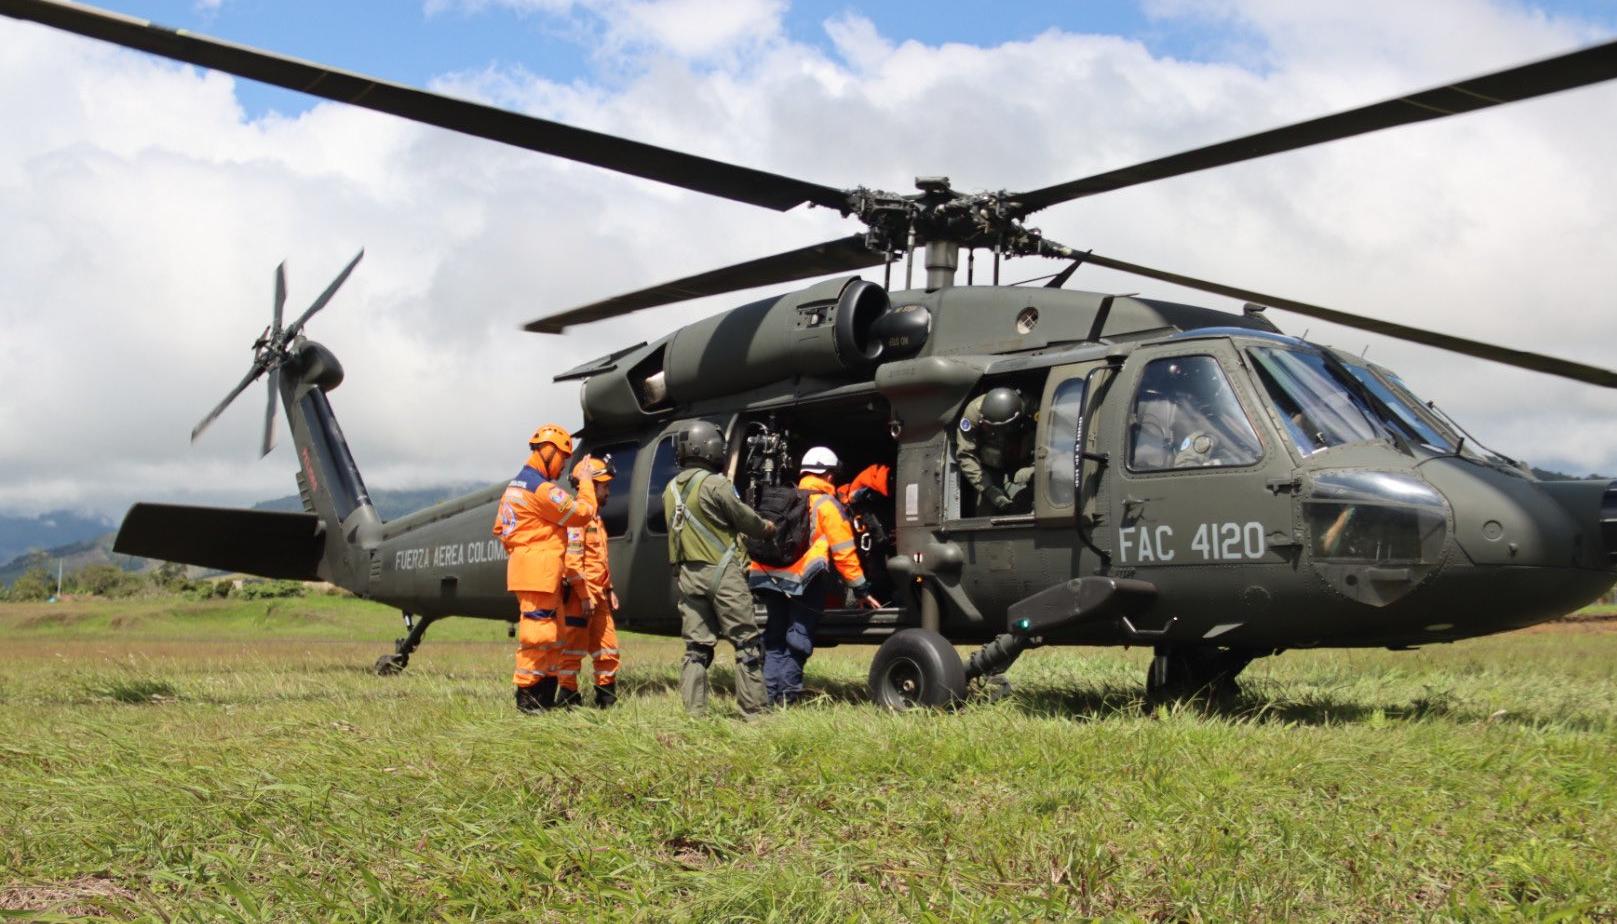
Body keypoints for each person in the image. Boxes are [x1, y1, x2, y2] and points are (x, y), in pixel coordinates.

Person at [749, 447, 881, 706]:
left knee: (774, 637)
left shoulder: (782, 498)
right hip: (804, 581)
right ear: (829, 476)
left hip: (767, 576)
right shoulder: (826, 504)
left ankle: (766, 697)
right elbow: (844, 552)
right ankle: (787, 698)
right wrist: (861, 589)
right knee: (797, 638)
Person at [663, 420, 776, 718]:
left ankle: (694, 714)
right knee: (747, 644)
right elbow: (746, 520)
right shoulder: (717, 485)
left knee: (696, 649)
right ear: (711, 448)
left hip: (689, 577)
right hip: (723, 574)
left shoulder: (669, 490)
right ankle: (754, 713)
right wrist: (767, 528)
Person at [493, 423, 596, 714]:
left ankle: (544, 701)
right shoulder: (540, 489)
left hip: (537, 573)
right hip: (539, 574)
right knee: (538, 638)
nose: (564, 467)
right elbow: (581, 513)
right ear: (549, 451)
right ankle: (528, 703)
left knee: (552, 637)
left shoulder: (515, 488)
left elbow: (502, 529)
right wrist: (586, 482)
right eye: (563, 458)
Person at [555, 454, 621, 709]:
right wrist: (584, 595)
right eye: (605, 487)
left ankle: (606, 699)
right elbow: (572, 563)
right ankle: (568, 700)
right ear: (591, 487)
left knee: (608, 649)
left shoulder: (596, 519)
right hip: (580, 599)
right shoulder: (577, 518)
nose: (608, 493)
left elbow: (599, 559)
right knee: (572, 652)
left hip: (599, 596)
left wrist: (610, 589)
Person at [956, 386, 1035, 514]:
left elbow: (1050, 436)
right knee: (986, 513)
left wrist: (1036, 468)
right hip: (990, 467)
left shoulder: (1030, 406)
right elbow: (965, 454)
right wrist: (988, 489)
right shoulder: (974, 413)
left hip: (1023, 460)